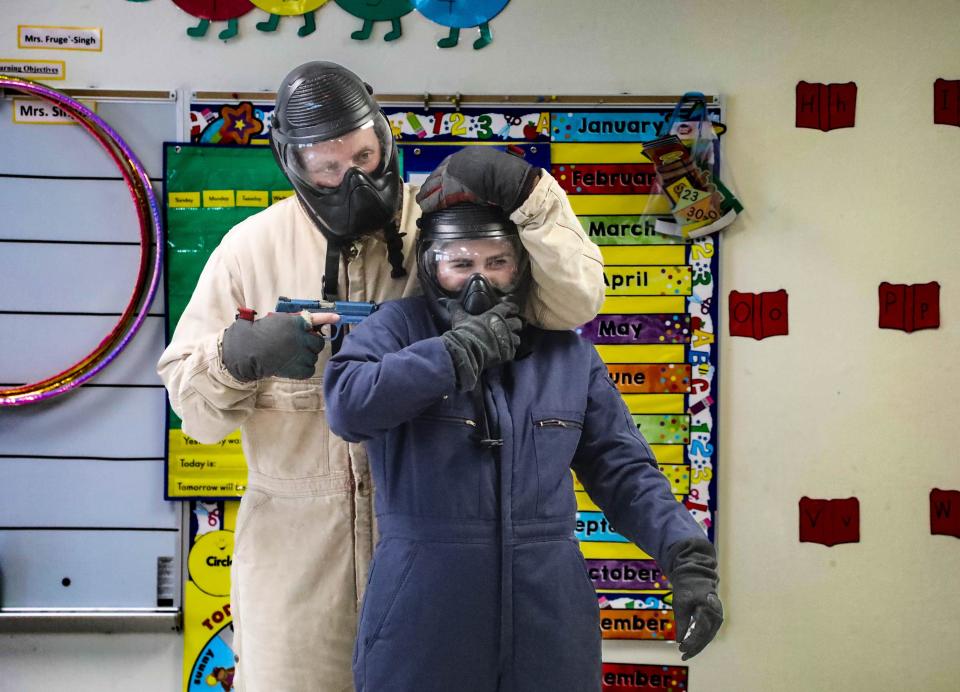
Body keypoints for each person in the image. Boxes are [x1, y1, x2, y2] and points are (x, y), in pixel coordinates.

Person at [157, 61, 605, 692]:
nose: (354, 180)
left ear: (386, 139)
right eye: (329, 168)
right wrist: (237, 356)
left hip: (441, 570)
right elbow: (196, 417)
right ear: (294, 164)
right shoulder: (249, 250)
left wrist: (533, 196)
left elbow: (571, 305)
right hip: (298, 576)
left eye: (364, 156)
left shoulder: (448, 232)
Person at [323, 203, 724, 692]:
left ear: (522, 265)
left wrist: (686, 557)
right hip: (421, 612)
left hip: (550, 615)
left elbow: (625, 471)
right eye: (461, 264)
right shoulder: (396, 328)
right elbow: (348, 405)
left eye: (497, 263)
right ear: (432, 266)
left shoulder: (565, 352)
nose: (480, 282)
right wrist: (448, 356)